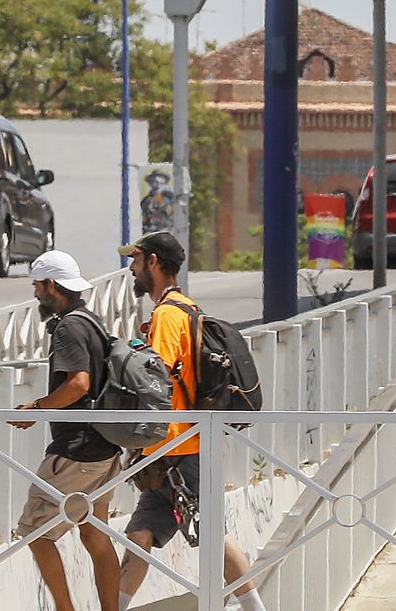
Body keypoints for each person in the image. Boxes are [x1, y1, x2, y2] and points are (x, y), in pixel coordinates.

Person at [116, 231, 264, 611]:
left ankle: (256, 608)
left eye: (136, 259)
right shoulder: (186, 308)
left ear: (153, 263)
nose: (131, 268)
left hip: (182, 447)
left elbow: (156, 376)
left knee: (214, 534)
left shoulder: (167, 314)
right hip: (171, 447)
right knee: (140, 533)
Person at [10, 250, 123, 611]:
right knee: (95, 534)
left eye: (37, 286)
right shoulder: (91, 322)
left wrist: (36, 408)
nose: (35, 294)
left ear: (52, 286)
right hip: (105, 449)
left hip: (77, 450)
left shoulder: (69, 327)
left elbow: (78, 384)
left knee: (36, 532)